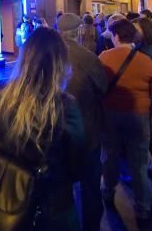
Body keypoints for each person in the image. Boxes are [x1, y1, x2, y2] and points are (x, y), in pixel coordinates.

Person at [0, 28, 86, 231]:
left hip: (3, 197)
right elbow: (78, 166)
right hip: (50, 207)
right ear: (60, 64)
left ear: (25, 57)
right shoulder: (65, 105)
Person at [99, 19, 152, 225]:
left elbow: (98, 84)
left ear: (116, 36)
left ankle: (107, 191)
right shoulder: (146, 60)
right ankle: (143, 207)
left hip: (110, 113)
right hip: (139, 114)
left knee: (110, 154)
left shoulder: (105, 57)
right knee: (139, 161)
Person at [57, 13, 109, 231]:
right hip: (87, 133)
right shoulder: (88, 58)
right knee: (90, 189)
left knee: (60, 189)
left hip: (57, 135)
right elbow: (103, 89)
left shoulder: (47, 55)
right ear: (78, 32)